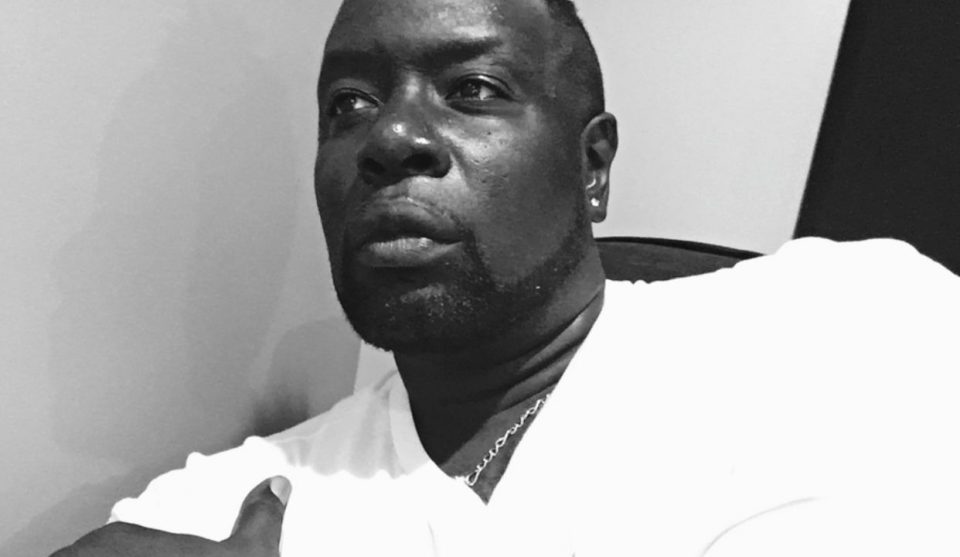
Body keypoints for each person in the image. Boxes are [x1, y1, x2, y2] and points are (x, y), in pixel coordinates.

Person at [52, 0, 960, 555]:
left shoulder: (841, 323)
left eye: (473, 89)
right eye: (348, 104)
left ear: (591, 166)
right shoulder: (227, 505)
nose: (387, 138)